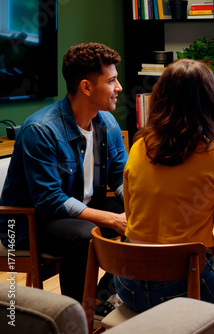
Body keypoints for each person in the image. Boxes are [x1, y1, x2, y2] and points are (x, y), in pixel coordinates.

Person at [114, 59, 214, 334]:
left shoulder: (138, 147)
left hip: (129, 284)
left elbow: (134, 220)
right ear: (210, 103)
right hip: (184, 289)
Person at [0, 43, 128, 307]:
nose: (119, 88)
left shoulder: (108, 123)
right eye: (112, 80)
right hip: (29, 222)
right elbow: (50, 200)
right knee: (86, 234)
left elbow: (121, 179)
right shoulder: (40, 130)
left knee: (143, 212)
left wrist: (141, 204)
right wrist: (114, 219)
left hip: (81, 208)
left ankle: (106, 296)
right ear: (86, 87)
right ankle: (76, 314)